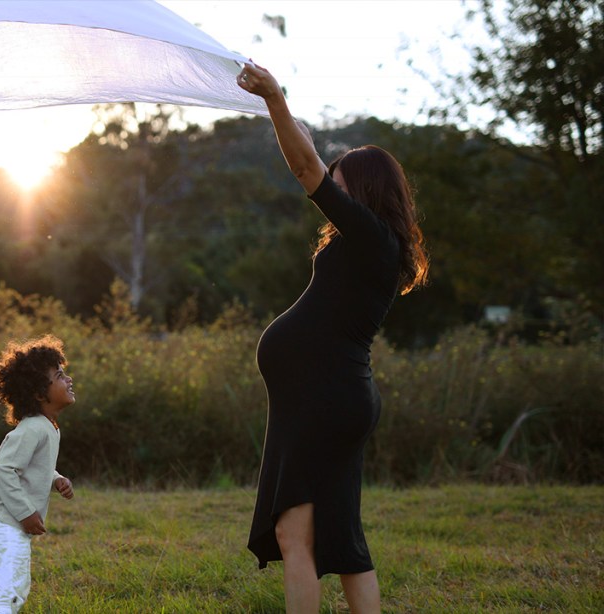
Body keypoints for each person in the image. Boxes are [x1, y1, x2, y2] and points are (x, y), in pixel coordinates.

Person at [236, 62, 429, 613]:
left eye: (340, 186)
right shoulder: (375, 243)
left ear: (364, 191)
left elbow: (305, 167)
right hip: (328, 398)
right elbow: (309, 158)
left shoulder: (371, 237)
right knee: (341, 540)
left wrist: (275, 97)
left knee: (296, 535)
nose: (331, 194)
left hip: (322, 399)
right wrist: (283, 115)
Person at [0, 335, 76, 614]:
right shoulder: (32, 428)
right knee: (11, 592)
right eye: (59, 376)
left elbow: (34, 466)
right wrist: (25, 513)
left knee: (15, 589)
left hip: (7, 523)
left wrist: (56, 478)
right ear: (40, 394)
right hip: (0, 522)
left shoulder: (47, 426)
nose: (68, 379)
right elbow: (5, 467)